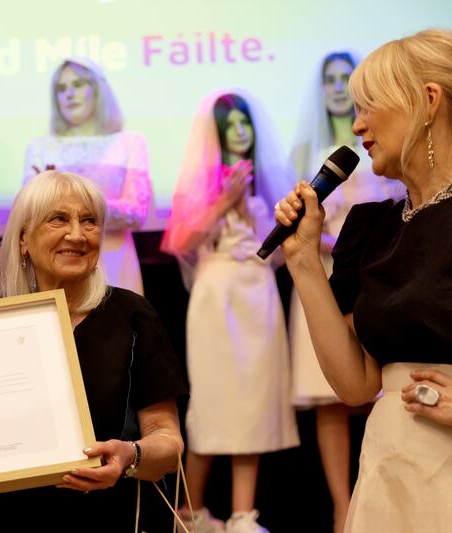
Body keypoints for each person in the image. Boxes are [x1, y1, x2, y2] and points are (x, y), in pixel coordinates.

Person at [274, 29, 452, 532]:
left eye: (370, 106)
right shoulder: (373, 228)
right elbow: (355, 385)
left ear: (429, 101)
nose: (357, 125)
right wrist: (303, 260)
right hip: (390, 465)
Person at [0, 170, 186, 532]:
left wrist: (130, 456)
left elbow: (169, 444)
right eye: (59, 219)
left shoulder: (133, 315)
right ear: (23, 238)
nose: (77, 234)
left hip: (112, 516)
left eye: (89, 221)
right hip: (13, 518)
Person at [161, 92, 298, 533]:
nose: (239, 131)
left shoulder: (268, 177)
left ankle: (242, 514)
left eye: (244, 122)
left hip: (257, 290)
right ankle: (191, 511)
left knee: (253, 400)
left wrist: (250, 211)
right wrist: (224, 202)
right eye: (230, 124)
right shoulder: (202, 180)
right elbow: (178, 242)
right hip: (216, 293)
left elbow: (279, 248)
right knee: (212, 400)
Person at [288, 51, 404, 533]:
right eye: (331, 80)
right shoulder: (308, 150)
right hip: (329, 268)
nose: (339, 90)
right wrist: (310, 249)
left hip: (383, 265)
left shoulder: (390, 158)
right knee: (331, 397)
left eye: (349, 84)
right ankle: (342, 504)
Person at [23, 57, 150, 295]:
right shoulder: (40, 147)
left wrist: (66, 204)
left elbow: (136, 214)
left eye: (78, 84)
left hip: (115, 267)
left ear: (97, 90)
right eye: (61, 88)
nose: (69, 94)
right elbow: (29, 218)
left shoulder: (129, 142)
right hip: (57, 268)